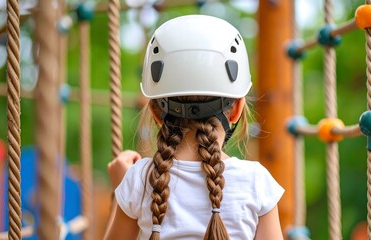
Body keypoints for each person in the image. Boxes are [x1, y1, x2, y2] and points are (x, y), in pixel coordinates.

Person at [104, 15, 284, 240]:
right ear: (237, 108)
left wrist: (123, 191)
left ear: (155, 112)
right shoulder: (257, 182)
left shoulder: (140, 179)